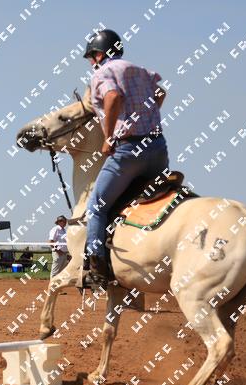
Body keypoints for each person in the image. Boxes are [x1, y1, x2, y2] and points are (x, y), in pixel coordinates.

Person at [82, 29, 169, 290]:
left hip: (128, 151)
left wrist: (109, 136)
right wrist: (145, 115)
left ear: (99, 54)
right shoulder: (139, 70)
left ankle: (96, 267)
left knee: (96, 207)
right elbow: (160, 94)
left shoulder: (103, 73)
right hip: (158, 148)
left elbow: (113, 96)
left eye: (91, 57)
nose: (91, 62)